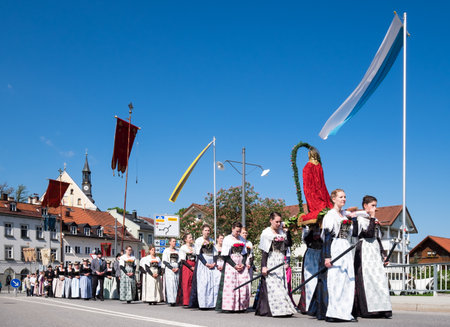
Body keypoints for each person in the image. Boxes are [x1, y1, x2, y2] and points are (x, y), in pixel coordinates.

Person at [311, 188, 356, 322]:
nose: (344, 199)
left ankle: (345, 311)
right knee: (335, 281)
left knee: (347, 279)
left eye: (345, 197)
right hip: (335, 247)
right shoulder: (330, 215)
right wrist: (327, 256)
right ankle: (333, 311)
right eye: (341, 197)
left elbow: (353, 233)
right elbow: (327, 237)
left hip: (345, 247)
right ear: (334, 199)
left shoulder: (345, 215)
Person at [353, 195, 392, 318]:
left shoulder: (373, 220)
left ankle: (381, 308)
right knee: (366, 279)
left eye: (376, 205)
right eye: (372, 205)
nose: (375, 208)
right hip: (364, 249)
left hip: (374, 250)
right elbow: (368, 234)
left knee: (379, 279)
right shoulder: (359, 219)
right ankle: (367, 309)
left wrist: (384, 255)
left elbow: (377, 238)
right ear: (365, 206)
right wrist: (373, 218)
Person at [255, 213, 296, 317]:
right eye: (276, 221)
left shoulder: (282, 232)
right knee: (274, 286)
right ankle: (276, 309)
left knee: (282, 285)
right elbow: (264, 252)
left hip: (280, 260)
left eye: (280, 221)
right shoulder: (266, 233)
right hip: (271, 260)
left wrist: (287, 232)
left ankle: (284, 309)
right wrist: (264, 266)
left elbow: (289, 244)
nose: (279, 224)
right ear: (271, 221)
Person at [216, 221, 250, 312]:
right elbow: (225, 255)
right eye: (237, 231)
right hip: (231, 264)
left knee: (242, 285)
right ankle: (230, 306)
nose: (238, 233)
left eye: (239, 231)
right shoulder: (228, 239)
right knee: (231, 285)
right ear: (232, 229)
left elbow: (245, 253)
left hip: (240, 263)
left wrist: (243, 263)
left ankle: (241, 306)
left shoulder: (242, 239)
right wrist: (234, 265)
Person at [300, 148, 333, 223]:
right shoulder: (319, 165)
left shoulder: (307, 166)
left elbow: (307, 184)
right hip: (321, 192)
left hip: (313, 192)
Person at [190, 224, 218, 309]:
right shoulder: (199, 240)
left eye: (208, 230)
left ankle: (211, 303)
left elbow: (215, 253)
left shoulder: (212, 241)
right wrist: (206, 263)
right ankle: (203, 304)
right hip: (203, 263)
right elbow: (198, 254)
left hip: (211, 262)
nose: (207, 232)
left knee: (212, 284)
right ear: (202, 231)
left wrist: (214, 263)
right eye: (205, 230)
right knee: (203, 283)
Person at [298, 223, 323, 314]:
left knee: (320, 281)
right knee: (310, 282)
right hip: (310, 256)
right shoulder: (308, 231)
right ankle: (308, 306)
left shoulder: (324, 229)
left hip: (321, 255)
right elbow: (305, 239)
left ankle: (320, 305)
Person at [176, 233, 196, 306]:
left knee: (193, 283)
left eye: (191, 237)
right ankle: (186, 301)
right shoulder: (183, 248)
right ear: (185, 239)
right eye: (189, 238)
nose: (191, 239)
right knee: (186, 283)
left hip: (194, 264)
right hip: (187, 266)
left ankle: (193, 300)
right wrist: (190, 267)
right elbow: (182, 260)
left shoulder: (194, 247)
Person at [162, 238, 180, 306]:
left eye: (175, 241)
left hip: (177, 267)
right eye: (173, 241)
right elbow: (164, 261)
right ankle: (171, 300)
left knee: (176, 283)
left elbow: (180, 260)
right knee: (170, 284)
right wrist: (171, 268)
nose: (174, 243)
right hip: (170, 269)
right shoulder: (166, 251)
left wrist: (178, 267)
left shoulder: (178, 250)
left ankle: (177, 299)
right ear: (170, 242)